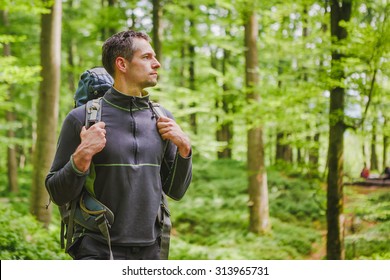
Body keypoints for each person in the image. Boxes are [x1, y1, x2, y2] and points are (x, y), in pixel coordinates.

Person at [45, 30, 192, 260]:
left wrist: (185, 150)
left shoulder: (163, 119)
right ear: (122, 64)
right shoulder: (81, 118)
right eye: (146, 57)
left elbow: (176, 191)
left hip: (152, 251)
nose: (157, 64)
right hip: (96, 250)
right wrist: (81, 157)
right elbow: (57, 193)